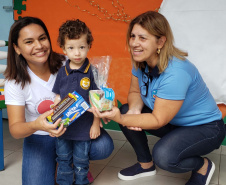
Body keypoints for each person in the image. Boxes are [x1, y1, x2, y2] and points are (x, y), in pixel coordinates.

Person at [91, 11, 225, 185]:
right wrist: (132, 111)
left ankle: (202, 166)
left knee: (164, 156)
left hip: (205, 128)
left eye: (142, 38)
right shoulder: (141, 62)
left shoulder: (177, 72)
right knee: (126, 109)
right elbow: (135, 92)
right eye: (133, 36)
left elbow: (158, 119)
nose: (134, 43)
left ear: (160, 42)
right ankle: (145, 165)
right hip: (173, 122)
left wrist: (122, 119)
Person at [4, 17, 114, 185]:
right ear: (17, 48)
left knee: (103, 146)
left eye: (42, 38)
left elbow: (95, 89)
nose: (39, 46)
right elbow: (16, 130)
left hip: (74, 128)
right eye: (29, 42)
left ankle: (77, 163)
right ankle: (60, 165)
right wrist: (37, 125)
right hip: (39, 136)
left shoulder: (69, 61)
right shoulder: (15, 82)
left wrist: (102, 110)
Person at [52, 19, 104, 185]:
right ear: (63, 49)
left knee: (81, 161)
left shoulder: (92, 71)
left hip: (84, 128)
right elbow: (58, 96)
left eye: (81, 47)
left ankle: (81, 182)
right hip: (64, 127)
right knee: (63, 158)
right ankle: (63, 182)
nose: (77, 53)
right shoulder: (62, 72)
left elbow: (98, 100)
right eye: (71, 48)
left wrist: (96, 123)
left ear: (89, 46)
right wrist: (56, 108)